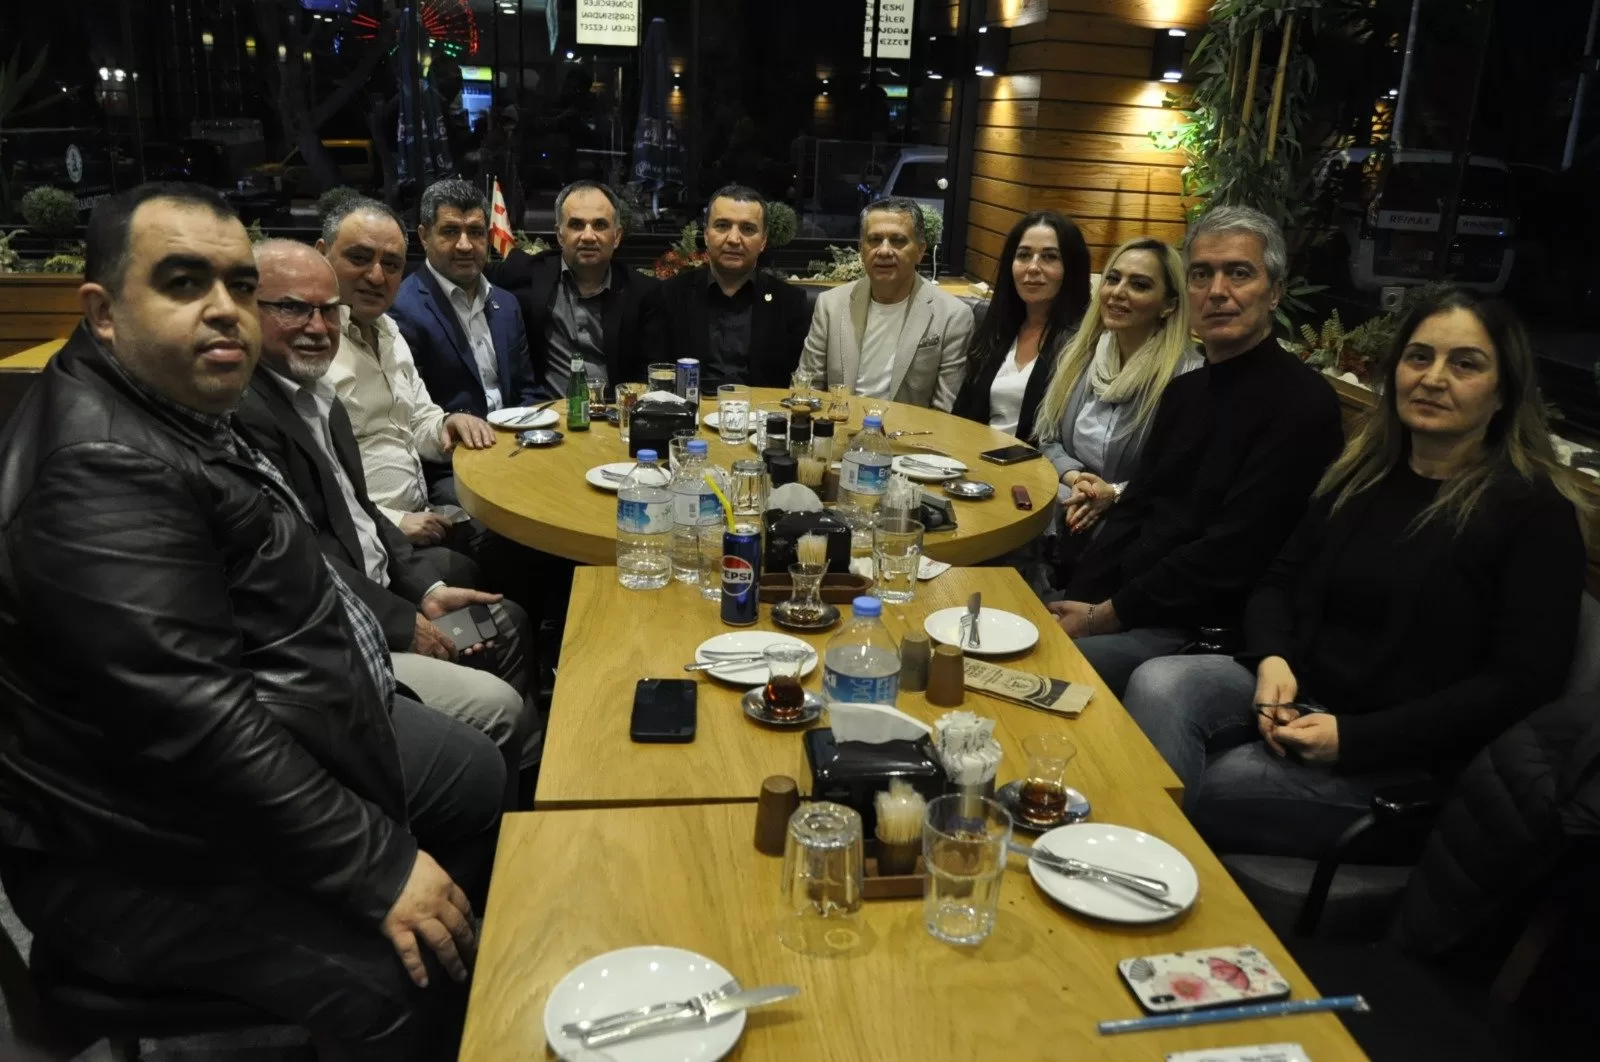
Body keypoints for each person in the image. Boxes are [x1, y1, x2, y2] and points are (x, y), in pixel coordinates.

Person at [0, 182, 502, 1060]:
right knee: (408, 977)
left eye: (238, 283)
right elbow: (195, 726)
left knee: (479, 780)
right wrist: (379, 866)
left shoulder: (175, 400)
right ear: (104, 311)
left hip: (258, 757)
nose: (225, 309)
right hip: (137, 853)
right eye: (183, 281)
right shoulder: (99, 467)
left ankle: (463, 954)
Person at [1119, 288, 1588, 857]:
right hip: (1301, 694)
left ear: (1504, 392)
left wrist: (1356, 739)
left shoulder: (1535, 513)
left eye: (1465, 364)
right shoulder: (1364, 474)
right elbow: (1278, 581)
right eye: (1419, 357)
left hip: (1401, 763)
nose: (1433, 378)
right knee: (1160, 682)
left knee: (1199, 782)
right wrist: (1272, 658)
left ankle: (1134, 871)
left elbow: (1518, 687)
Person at [236, 239, 542, 784]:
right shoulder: (247, 415)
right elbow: (306, 562)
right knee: (500, 703)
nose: (317, 325)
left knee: (509, 619)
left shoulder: (318, 396)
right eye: (292, 308)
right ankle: (488, 782)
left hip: (383, 584)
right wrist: (404, 621)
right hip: (342, 635)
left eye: (328, 310)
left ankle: (525, 788)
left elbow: (357, 511)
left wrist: (425, 591)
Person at [1048, 205, 1344, 696]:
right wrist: (1078, 604)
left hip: (1206, 632)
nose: (1217, 291)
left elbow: (1231, 554)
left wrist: (1102, 617)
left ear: (1275, 292)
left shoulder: (1304, 404)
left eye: (1239, 273)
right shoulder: (1185, 391)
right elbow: (1134, 511)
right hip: (1135, 605)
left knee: (1047, 665)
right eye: (1202, 274)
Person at [317, 196, 496, 547]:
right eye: (359, 258)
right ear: (322, 254)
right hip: (368, 537)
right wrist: (393, 522)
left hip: (424, 513)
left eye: (391, 264)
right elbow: (309, 480)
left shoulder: (389, 330)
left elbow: (417, 420)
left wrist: (447, 425)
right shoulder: (309, 345)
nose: (376, 276)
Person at [1033, 237, 1202, 568]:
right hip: (1068, 502)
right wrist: (1077, 480)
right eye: (1113, 278)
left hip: (1133, 529)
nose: (1118, 292)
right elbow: (1048, 438)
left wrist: (1115, 493)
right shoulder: (1079, 355)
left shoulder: (1188, 377)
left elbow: (1179, 477)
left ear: (1168, 305)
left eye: (1139, 285)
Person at [389, 178, 539, 460]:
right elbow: (408, 414)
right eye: (450, 231)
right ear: (424, 236)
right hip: (452, 458)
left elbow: (525, 390)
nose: (465, 245)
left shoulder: (507, 305)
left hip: (517, 447)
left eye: (475, 232)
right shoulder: (402, 309)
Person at [486, 179, 665, 398]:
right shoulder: (530, 274)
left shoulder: (643, 293)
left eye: (600, 225)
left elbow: (649, 376)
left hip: (614, 413)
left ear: (617, 236)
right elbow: (471, 270)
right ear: (560, 234)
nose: (588, 236)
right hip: (548, 413)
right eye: (577, 225)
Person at [799, 196, 973, 410]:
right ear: (861, 249)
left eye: (898, 240)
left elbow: (945, 412)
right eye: (874, 240)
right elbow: (806, 390)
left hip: (910, 430)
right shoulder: (831, 305)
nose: (884, 251)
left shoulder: (953, 316)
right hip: (839, 425)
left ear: (920, 251)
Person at [953, 210, 1091, 442]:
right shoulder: (997, 328)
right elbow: (962, 414)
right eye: (1024, 255)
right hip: (972, 456)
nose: (1033, 267)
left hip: (1037, 463)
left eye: (1049, 257)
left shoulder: (1085, 342)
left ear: (1072, 267)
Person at [658, 184, 811, 389]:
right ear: (706, 234)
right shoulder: (670, 296)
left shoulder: (790, 303)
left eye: (747, 229)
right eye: (722, 226)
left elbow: (798, 384)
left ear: (763, 241)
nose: (733, 239)